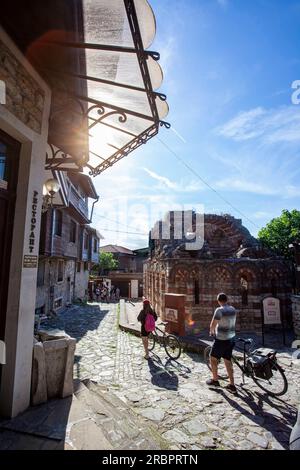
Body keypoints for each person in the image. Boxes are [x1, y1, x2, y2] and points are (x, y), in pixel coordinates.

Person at [206, 293, 237, 393]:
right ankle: (232, 385)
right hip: (231, 338)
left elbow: (213, 324)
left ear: (218, 301)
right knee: (227, 360)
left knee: (213, 358)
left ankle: (215, 380)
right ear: (227, 300)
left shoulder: (219, 310)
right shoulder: (232, 309)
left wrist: (211, 332)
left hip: (222, 339)